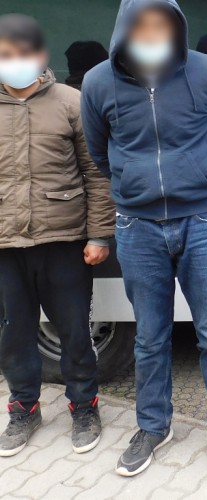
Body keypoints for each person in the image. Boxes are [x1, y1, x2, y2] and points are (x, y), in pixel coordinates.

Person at [80, 0, 207, 486]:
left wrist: (201, 182)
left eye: (162, 23)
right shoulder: (97, 82)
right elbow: (99, 152)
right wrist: (135, 189)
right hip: (138, 227)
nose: (152, 33)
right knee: (150, 337)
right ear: (124, 28)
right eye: (142, 24)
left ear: (176, 27)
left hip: (203, 222)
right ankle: (153, 426)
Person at [0, 14, 114, 457]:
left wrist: (99, 235)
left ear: (40, 54)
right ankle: (23, 410)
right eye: (6, 54)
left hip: (64, 241)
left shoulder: (71, 102)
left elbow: (97, 174)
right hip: (6, 244)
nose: (15, 61)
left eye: (23, 52)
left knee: (74, 333)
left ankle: (84, 407)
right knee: (14, 335)